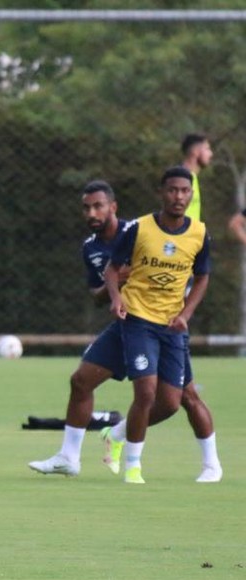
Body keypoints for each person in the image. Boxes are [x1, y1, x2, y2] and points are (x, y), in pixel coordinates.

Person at [28, 180, 221, 482]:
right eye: (86, 207)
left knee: (178, 398)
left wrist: (178, 307)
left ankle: (126, 437)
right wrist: (117, 283)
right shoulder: (90, 247)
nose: (92, 213)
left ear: (113, 207)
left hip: (161, 324)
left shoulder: (139, 230)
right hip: (128, 323)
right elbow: (97, 292)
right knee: (81, 382)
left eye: (98, 206)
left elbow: (182, 270)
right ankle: (69, 458)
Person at [103, 166, 219, 484]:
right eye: (172, 190)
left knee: (170, 403)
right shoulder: (139, 228)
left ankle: (116, 435)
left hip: (172, 326)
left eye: (184, 191)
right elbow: (112, 270)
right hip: (139, 319)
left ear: (191, 194)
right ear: (161, 192)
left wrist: (186, 314)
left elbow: (203, 276)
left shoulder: (199, 233)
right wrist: (116, 299)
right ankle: (133, 467)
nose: (178, 196)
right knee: (146, 393)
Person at [180, 133, 213, 222]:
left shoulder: (192, 177)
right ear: (195, 151)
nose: (211, 154)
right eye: (207, 149)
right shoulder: (181, 178)